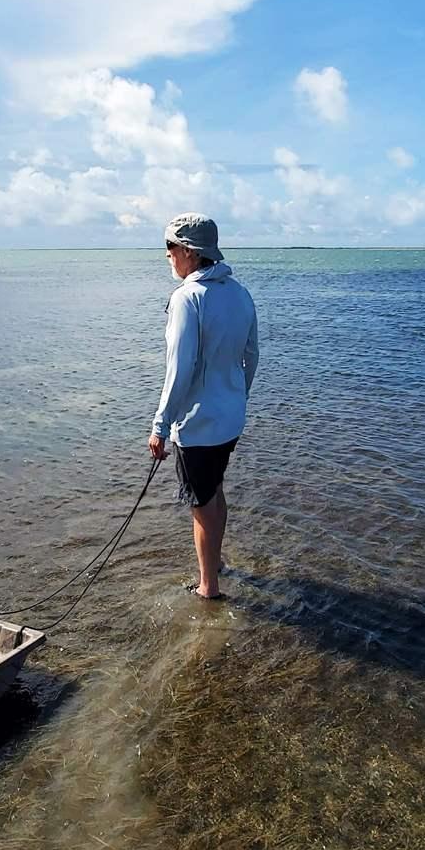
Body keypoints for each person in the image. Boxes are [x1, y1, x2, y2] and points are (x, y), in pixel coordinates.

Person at [148, 213, 258, 601]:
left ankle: (208, 587)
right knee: (214, 492)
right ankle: (217, 562)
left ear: (190, 253)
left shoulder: (188, 298)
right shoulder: (240, 293)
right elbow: (251, 355)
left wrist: (160, 426)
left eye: (170, 247)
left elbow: (180, 369)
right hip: (230, 420)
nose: (167, 256)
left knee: (201, 503)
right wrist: (235, 397)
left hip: (198, 424)